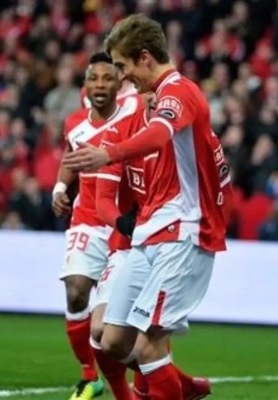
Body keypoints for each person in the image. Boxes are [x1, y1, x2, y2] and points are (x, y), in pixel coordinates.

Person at [63, 14, 228, 399]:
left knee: (149, 346)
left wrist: (109, 154)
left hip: (182, 233)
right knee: (112, 341)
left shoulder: (179, 92)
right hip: (149, 233)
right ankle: (183, 386)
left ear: (144, 58)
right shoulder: (149, 104)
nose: (122, 78)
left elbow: (157, 135)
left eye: (122, 67)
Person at [52, 52, 145, 400]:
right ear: (85, 86)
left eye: (108, 78)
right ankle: (90, 375)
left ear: (120, 83)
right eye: (94, 79)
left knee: (125, 319)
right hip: (88, 219)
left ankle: (150, 377)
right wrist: (60, 188)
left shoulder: (135, 113)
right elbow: (71, 156)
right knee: (76, 291)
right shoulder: (75, 122)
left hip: (126, 224)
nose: (101, 85)